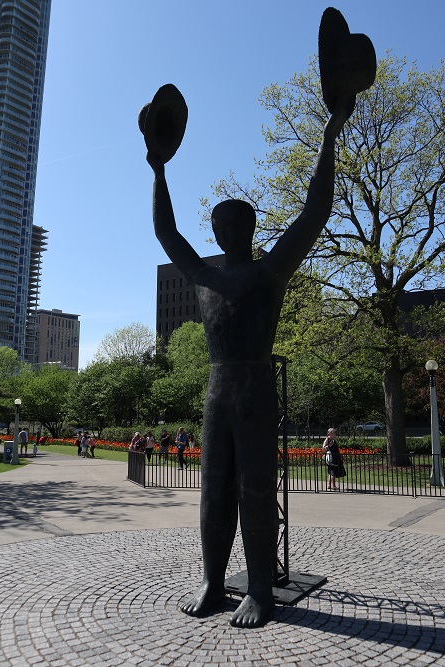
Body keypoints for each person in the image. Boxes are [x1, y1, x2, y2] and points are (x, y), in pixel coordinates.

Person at [144, 88, 353, 627]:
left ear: (245, 228)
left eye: (226, 221)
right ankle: (215, 583)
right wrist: (158, 171)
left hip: (255, 388)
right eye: (215, 222)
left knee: (257, 489)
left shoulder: (267, 272)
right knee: (213, 491)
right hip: (218, 390)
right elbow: (166, 232)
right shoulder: (206, 276)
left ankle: (259, 585)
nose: (218, 229)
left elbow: (315, 211)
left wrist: (330, 136)